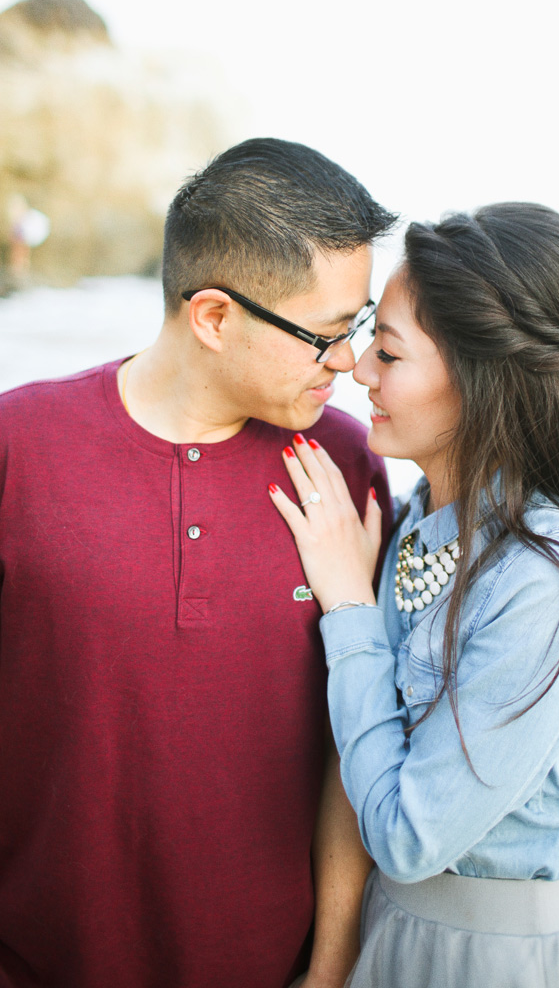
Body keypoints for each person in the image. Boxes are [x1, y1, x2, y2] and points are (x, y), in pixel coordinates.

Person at [0, 138, 397, 988]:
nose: (350, 362)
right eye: (323, 334)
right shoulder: (17, 447)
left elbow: (352, 743)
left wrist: (330, 968)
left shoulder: (348, 464)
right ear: (212, 317)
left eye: (357, 327)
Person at [270, 201, 559, 986]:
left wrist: (347, 608)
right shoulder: (417, 519)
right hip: (393, 933)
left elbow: (409, 836)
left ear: (479, 381)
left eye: (390, 353)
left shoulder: (546, 576)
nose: (358, 369)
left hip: (497, 960)